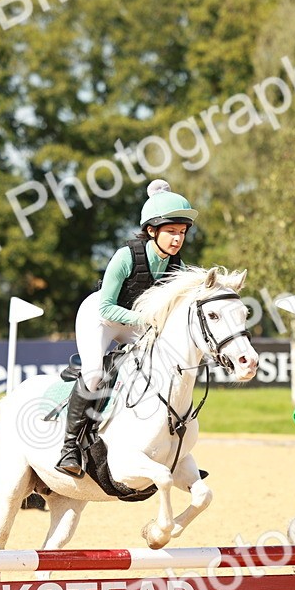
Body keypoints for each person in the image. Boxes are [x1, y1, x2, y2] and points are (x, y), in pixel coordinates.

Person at [55, 179, 198, 477]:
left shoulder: (177, 267)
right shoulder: (126, 256)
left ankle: (170, 448)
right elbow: (107, 308)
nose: (177, 239)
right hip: (101, 318)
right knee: (94, 373)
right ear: (151, 231)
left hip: (134, 322)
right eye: (171, 232)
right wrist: (146, 321)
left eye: (182, 233)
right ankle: (69, 447)